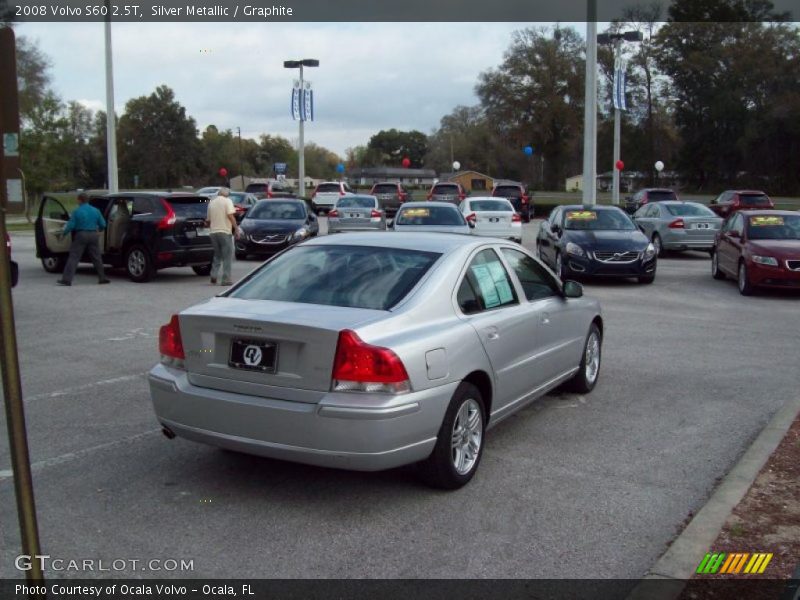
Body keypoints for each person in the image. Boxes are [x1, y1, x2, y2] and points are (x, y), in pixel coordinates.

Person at [57, 193, 110, 286]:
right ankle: (102, 278)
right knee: (97, 257)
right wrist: (99, 230)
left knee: (74, 257)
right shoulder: (96, 210)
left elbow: (71, 225)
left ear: (80, 200)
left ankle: (67, 279)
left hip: (81, 234)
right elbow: (103, 224)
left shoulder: (77, 211)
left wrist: (63, 234)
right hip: (93, 234)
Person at [206, 187, 240, 286]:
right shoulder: (227, 201)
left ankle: (213, 275)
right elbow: (230, 216)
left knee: (217, 255)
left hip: (213, 233)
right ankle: (226, 279)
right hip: (225, 232)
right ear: (227, 194)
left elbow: (208, 220)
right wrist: (236, 229)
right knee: (227, 257)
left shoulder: (211, 203)